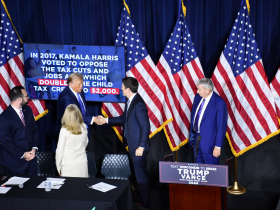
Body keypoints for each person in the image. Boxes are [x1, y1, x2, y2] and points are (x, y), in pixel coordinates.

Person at [97, 77, 151, 209]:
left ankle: (146, 205)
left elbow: (145, 127)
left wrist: (141, 146)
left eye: (122, 87)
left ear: (128, 89)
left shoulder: (138, 104)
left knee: (141, 177)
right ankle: (141, 200)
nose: (121, 89)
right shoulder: (130, 101)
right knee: (137, 177)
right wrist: (106, 120)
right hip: (133, 146)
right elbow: (123, 119)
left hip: (138, 147)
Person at [0, 86, 39, 175]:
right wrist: (23, 154)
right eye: (26, 96)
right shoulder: (4, 117)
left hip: (31, 161)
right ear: (19, 99)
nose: (28, 98)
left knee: (32, 187)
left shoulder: (28, 110)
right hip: (15, 163)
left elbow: (34, 131)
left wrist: (34, 149)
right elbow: (6, 142)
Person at [189, 78, 228, 165]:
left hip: (210, 145)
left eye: (199, 89)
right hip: (197, 141)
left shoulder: (219, 103)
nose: (197, 92)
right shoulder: (197, 98)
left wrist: (218, 147)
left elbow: (221, 126)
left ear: (207, 89)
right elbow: (195, 118)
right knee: (197, 172)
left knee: (211, 173)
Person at [55, 72, 99, 142]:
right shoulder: (65, 96)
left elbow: (84, 109)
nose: (81, 86)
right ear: (70, 84)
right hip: (71, 133)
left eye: (82, 83)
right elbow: (74, 116)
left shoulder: (81, 92)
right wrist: (93, 119)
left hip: (84, 129)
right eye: (79, 84)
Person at [56, 104, 88, 177]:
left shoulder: (64, 130)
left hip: (68, 166)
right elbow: (86, 143)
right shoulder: (84, 127)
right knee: (82, 187)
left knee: (69, 188)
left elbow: (59, 151)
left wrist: (58, 167)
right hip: (82, 164)